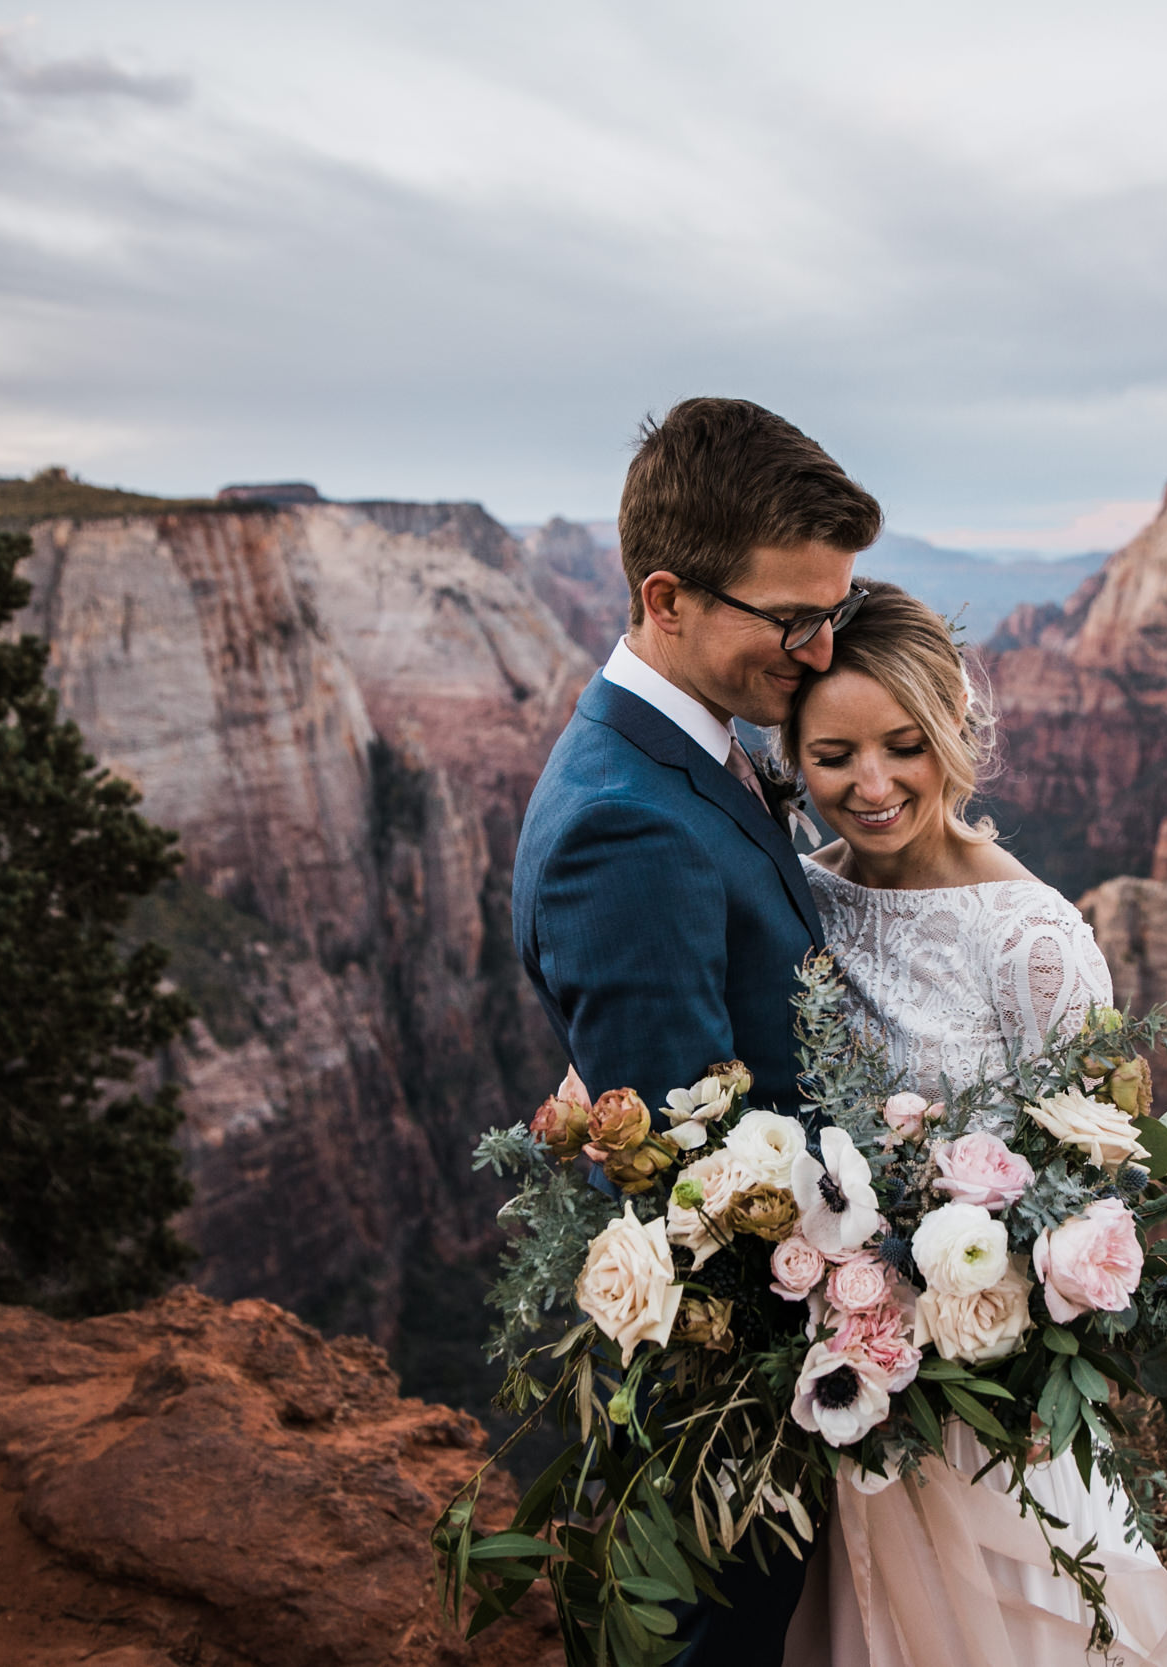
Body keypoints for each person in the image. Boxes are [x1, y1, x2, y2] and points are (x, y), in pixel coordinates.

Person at [774, 582, 1167, 1667]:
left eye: (904, 745)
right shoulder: (794, 896)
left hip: (988, 1416)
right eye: (833, 755)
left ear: (955, 736)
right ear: (792, 755)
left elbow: (1098, 1182)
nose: (870, 786)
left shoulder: (1034, 938)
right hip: (831, 1399)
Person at [511, 395, 883, 1666]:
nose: (822, 646)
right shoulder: (624, 822)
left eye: (835, 605)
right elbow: (694, 1176)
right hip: (732, 1419)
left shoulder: (690, 747)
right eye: (792, 619)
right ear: (666, 598)